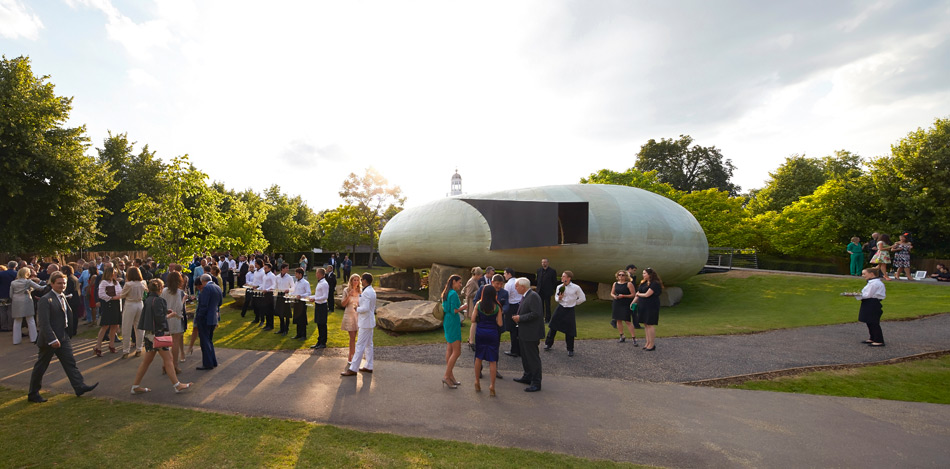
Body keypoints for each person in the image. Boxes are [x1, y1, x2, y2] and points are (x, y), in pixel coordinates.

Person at [27, 272, 99, 402]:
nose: (62, 285)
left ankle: (79, 386)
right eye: (59, 283)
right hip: (50, 339)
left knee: (70, 363)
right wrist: (52, 339)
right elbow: (44, 322)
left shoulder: (62, 296)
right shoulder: (46, 299)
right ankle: (33, 393)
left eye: (64, 283)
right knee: (41, 366)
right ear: (52, 283)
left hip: (63, 336)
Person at [131, 279, 193, 394]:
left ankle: (135, 386)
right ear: (160, 288)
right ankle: (177, 385)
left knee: (147, 361)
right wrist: (171, 315)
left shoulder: (148, 299)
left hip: (149, 334)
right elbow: (160, 319)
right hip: (158, 335)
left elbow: (153, 315)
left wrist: (165, 312)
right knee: (168, 359)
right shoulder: (159, 300)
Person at [512, 278, 544, 392]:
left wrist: (520, 318)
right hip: (524, 332)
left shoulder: (533, 296)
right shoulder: (526, 296)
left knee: (532, 357)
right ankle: (527, 376)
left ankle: (536, 382)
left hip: (531, 333)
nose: (515, 288)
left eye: (516, 286)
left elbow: (536, 313)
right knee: (525, 356)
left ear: (522, 286)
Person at [472, 284, 504, 397]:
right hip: (492, 333)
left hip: (480, 332)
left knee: (478, 357)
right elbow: (500, 323)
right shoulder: (497, 307)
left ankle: (476, 381)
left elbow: (472, 319)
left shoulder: (478, 304)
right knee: (492, 360)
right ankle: (492, 385)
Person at [544, 271, 585, 357]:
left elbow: (582, 298)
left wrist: (574, 303)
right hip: (560, 308)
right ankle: (548, 344)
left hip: (570, 310)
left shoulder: (576, 287)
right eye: (562, 276)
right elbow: (556, 298)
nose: (562, 278)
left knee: (570, 330)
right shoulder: (559, 287)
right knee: (553, 326)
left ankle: (570, 349)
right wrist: (559, 298)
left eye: (564, 276)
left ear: (569, 278)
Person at [342, 273, 376, 376]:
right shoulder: (372, 291)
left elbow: (365, 308)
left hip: (365, 322)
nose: (360, 281)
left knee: (360, 345)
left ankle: (353, 368)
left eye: (361, 279)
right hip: (369, 321)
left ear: (365, 281)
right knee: (369, 344)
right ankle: (369, 366)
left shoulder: (366, 292)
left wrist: (357, 308)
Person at [190, 274, 222, 370]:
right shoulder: (217, 287)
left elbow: (203, 305)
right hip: (213, 317)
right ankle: (213, 361)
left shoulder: (206, 289)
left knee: (204, 341)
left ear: (203, 281)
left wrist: (199, 317)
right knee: (209, 340)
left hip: (205, 318)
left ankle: (208, 363)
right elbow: (220, 303)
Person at [440, 275, 465, 389]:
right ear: (454, 282)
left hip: (447, 321)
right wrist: (464, 306)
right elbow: (454, 310)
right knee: (457, 351)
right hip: (453, 322)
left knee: (450, 349)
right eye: (459, 282)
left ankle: (450, 376)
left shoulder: (446, 292)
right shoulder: (453, 294)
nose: (460, 285)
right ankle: (446, 376)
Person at [852, 268, 886, 346]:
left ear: (871, 274)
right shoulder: (872, 282)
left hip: (872, 302)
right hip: (869, 302)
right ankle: (872, 337)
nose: (863, 276)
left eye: (864, 274)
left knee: (873, 321)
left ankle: (878, 340)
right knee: (869, 321)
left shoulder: (874, 283)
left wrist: (855, 294)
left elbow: (867, 295)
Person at [160, 271, 188, 368]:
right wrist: (184, 299)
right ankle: (175, 364)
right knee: (175, 342)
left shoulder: (163, 291)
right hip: (176, 318)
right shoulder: (180, 293)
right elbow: (179, 307)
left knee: (166, 342)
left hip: (166, 317)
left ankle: (165, 363)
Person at [10, 267, 43, 345]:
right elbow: (40, 288)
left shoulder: (13, 283)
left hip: (16, 301)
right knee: (30, 319)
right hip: (26, 300)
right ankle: (34, 338)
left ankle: (16, 340)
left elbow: (11, 294)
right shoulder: (28, 282)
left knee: (17, 321)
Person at [119, 267, 147, 359]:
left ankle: (126, 350)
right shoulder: (143, 283)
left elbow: (122, 295)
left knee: (126, 327)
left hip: (130, 304)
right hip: (140, 304)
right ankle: (139, 348)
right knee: (139, 328)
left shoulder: (128, 284)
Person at [95, 266, 123, 357]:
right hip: (108, 305)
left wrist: (119, 296)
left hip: (116, 305)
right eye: (114, 272)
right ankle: (98, 346)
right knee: (105, 326)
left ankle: (111, 344)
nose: (116, 274)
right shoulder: (104, 282)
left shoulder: (116, 282)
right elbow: (101, 294)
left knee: (114, 325)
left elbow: (121, 292)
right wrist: (111, 298)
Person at [634, 268, 663, 351]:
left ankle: (652, 344)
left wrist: (639, 294)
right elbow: (637, 294)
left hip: (651, 305)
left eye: (644, 273)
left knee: (650, 324)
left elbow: (647, 294)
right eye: (643, 273)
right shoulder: (643, 283)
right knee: (646, 324)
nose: (643, 275)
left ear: (650, 274)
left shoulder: (655, 284)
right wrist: (633, 302)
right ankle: (647, 342)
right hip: (643, 305)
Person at [611, 270, 637, 344]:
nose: (621, 276)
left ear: (626, 276)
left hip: (625, 303)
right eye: (619, 275)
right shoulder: (615, 284)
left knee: (627, 321)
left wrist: (623, 296)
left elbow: (633, 294)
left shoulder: (629, 284)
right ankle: (621, 335)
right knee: (618, 320)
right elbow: (612, 293)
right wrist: (614, 296)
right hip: (617, 303)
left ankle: (634, 338)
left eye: (623, 275)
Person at [339, 273, 361, 362]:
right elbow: (343, 304)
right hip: (349, 315)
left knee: (356, 337)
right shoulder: (346, 290)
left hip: (358, 315)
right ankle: (351, 357)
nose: (356, 281)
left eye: (357, 280)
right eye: (354, 280)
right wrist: (349, 295)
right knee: (352, 337)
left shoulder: (360, 291)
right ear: (351, 281)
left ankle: (353, 357)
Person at [308, 268, 330, 349]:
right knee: (319, 324)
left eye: (317, 273)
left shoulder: (324, 283)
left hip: (322, 306)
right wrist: (309, 297)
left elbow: (325, 296)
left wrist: (315, 299)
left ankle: (323, 342)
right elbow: (318, 295)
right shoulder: (320, 283)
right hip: (318, 305)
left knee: (322, 324)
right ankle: (319, 341)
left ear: (320, 274)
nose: (316, 274)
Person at [502, 268, 522, 358]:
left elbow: (506, 296)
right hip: (520, 305)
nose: (504, 275)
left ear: (509, 274)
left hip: (512, 306)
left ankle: (514, 350)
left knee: (513, 330)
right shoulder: (519, 282)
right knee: (519, 329)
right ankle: (520, 350)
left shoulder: (508, 284)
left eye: (505, 273)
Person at [462, 267, 482, 350]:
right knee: (474, 322)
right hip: (471, 305)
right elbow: (468, 294)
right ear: (477, 275)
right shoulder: (471, 282)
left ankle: (471, 339)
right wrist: (479, 291)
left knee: (475, 323)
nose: (481, 277)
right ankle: (471, 341)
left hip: (473, 304)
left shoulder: (474, 281)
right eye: (480, 275)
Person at [290, 268, 311, 340]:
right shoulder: (296, 282)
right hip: (296, 302)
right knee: (297, 318)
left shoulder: (305, 282)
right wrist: (289, 294)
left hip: (302, 302)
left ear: (300, 274)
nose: (295, 275)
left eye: (296, 273)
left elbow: (309, 292)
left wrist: (301, 295)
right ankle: (298, 334)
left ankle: (303, 335)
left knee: (302, 319)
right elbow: (294, 291)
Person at [275, 263, 295, 335]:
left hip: (286, 295)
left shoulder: (289, 277)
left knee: (286, 314)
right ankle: (281, 328)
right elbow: (275, 286)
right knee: (280, 313)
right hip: (279, 295)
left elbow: (293, 287)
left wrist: (288, 290)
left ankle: (286, 329)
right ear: (282, 269)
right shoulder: (277, 277)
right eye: (286, 268)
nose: (288, 269)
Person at [536, 258, 558, 323]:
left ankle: (548, 319)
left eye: (545, 262)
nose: (544, 263)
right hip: (540, 291)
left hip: (548, 291)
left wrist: (552, 289)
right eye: (542, 262)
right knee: (540, 305)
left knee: (547, 305)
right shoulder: (539, 270)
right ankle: (541, 318)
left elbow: (554, 281)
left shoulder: (552, 271)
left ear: (548, 263)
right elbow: (538, 280)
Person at [61, 265, 81, 338]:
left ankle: (71, 331)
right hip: (76, 298)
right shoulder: (74, 277)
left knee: (71, 316)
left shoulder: (69, 279)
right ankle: (74, 330)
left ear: (65, 271)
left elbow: (69, 290)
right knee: (75, 315)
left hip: (72, 300)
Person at [260, 263, 277, 330]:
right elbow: (263, 284)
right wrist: (258, 288)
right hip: (265, 294)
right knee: (266, 310)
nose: (264, 269)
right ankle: (267, 324)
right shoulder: (264, 275)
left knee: (270, 310)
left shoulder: (272, 275)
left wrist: (267, 290)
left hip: (269, 294)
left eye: (266, 268)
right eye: (264, 268)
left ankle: (271, 325)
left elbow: (274, 285)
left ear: (270, 268)